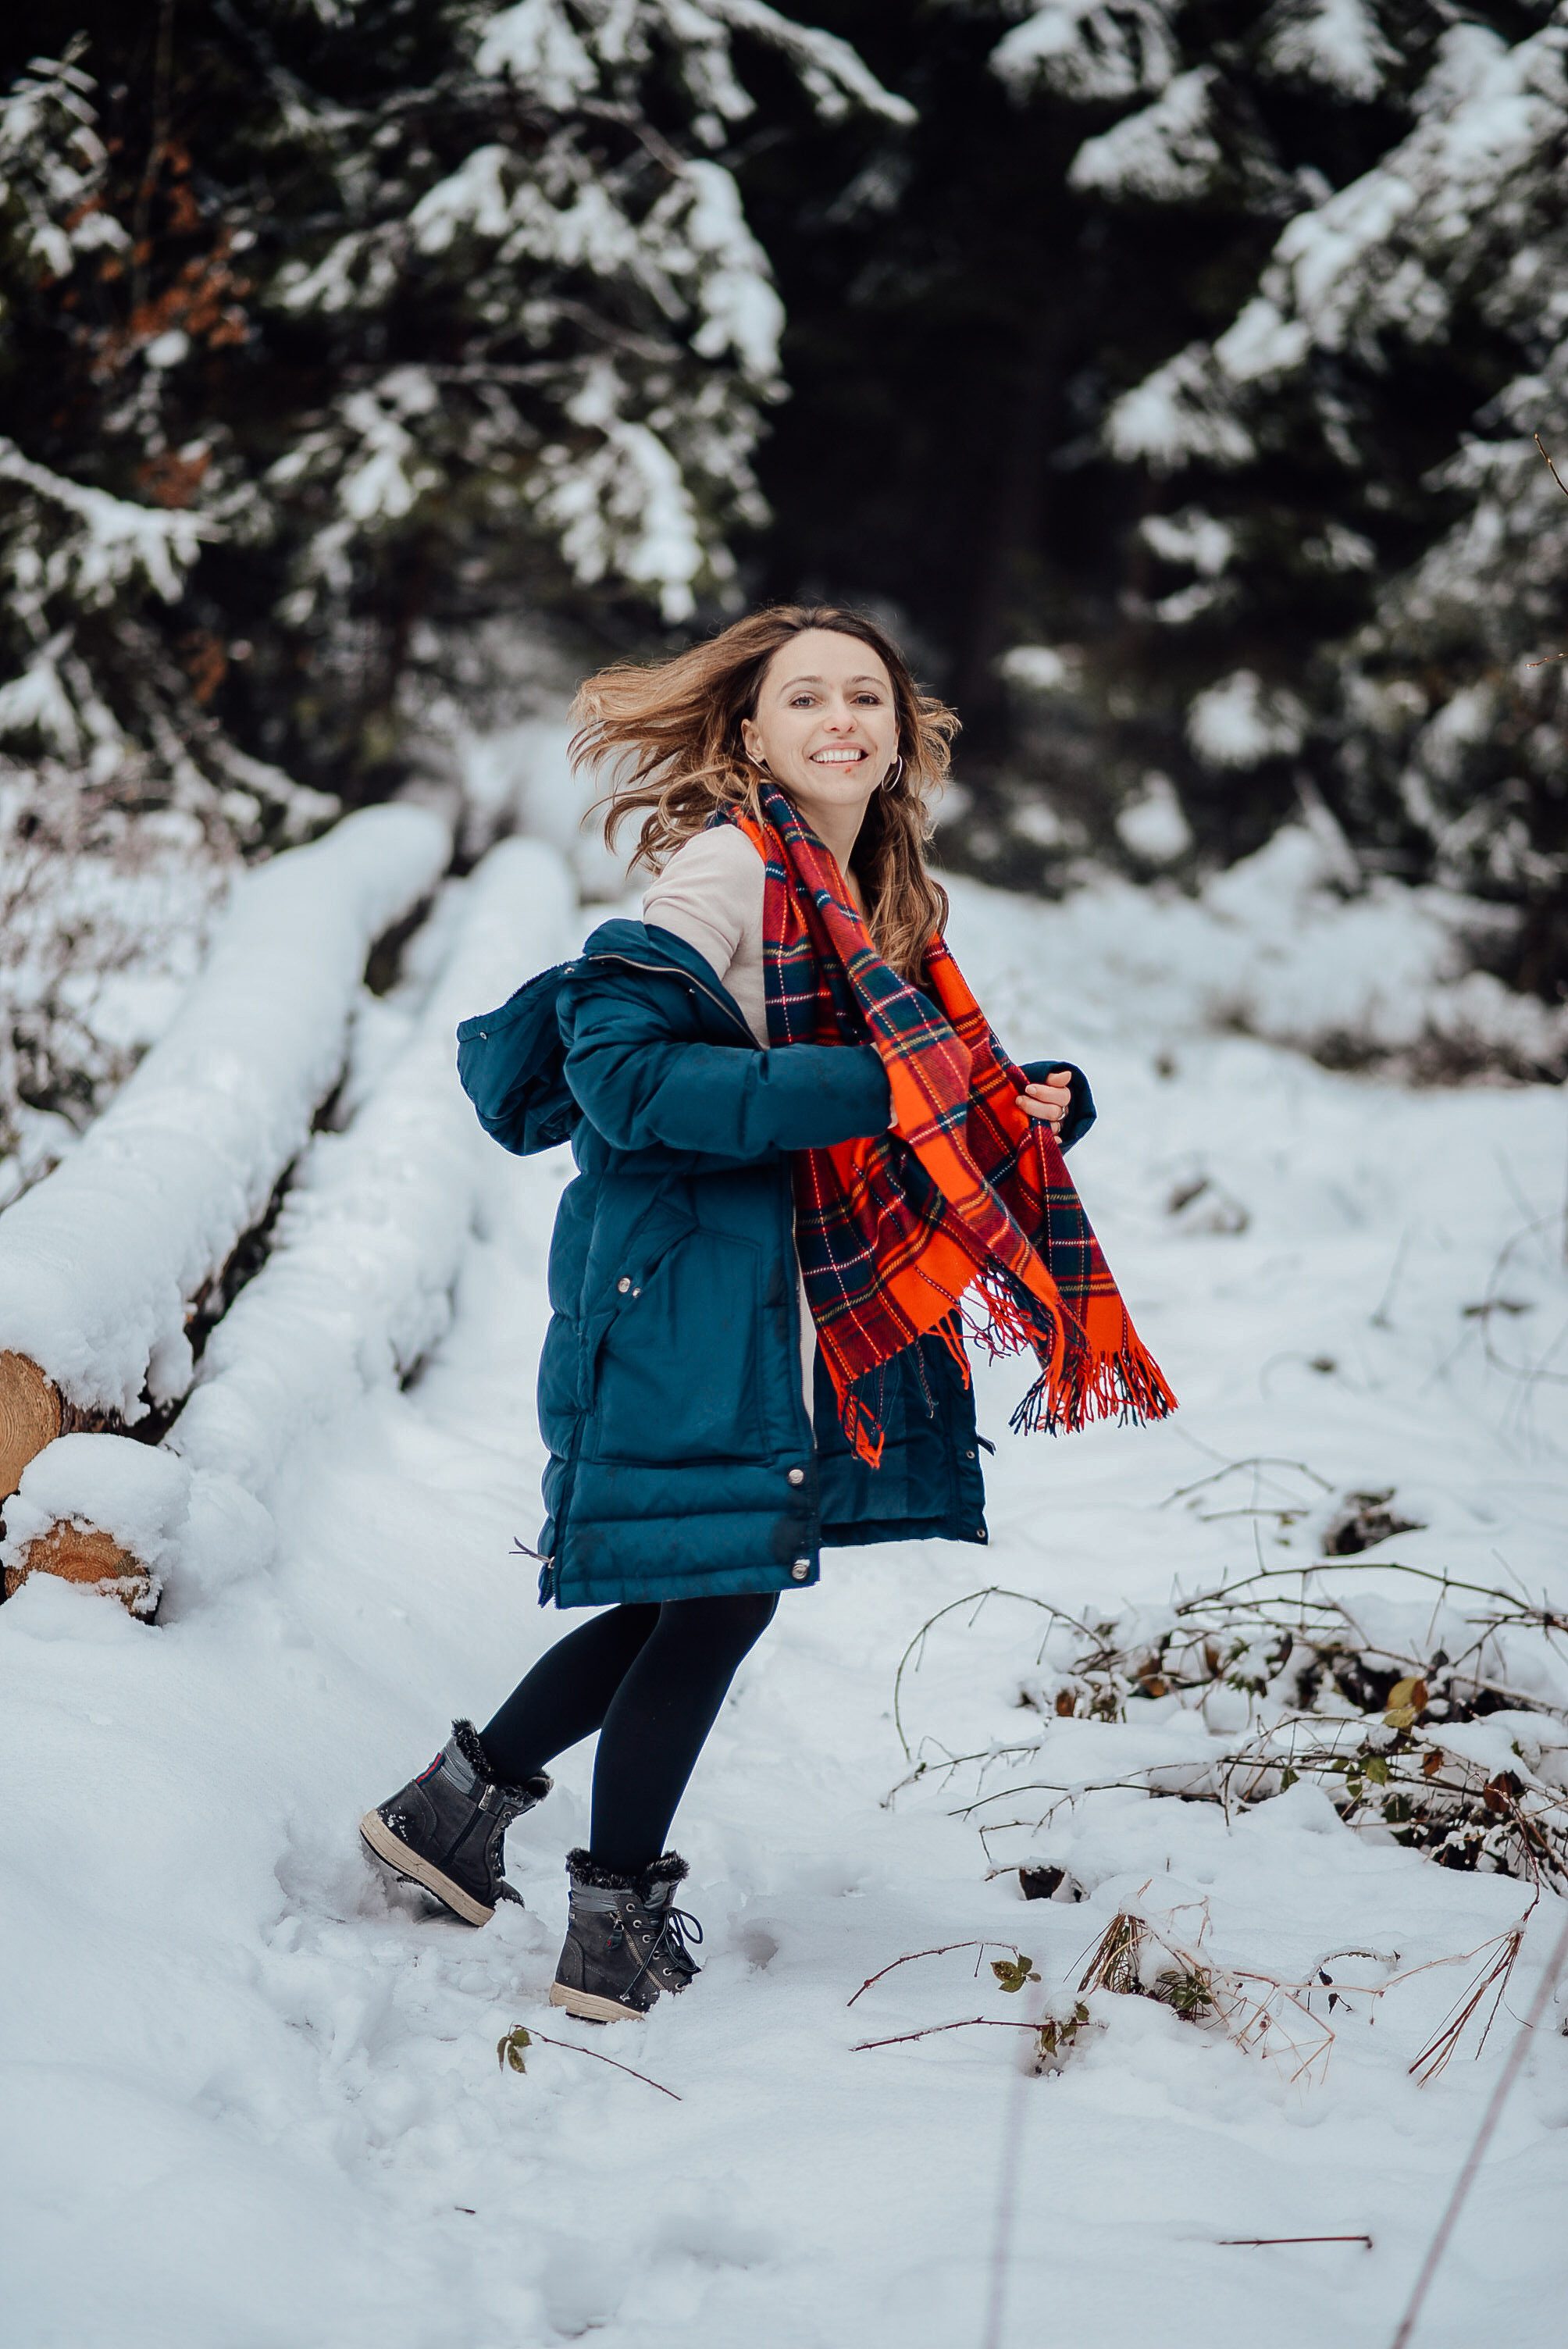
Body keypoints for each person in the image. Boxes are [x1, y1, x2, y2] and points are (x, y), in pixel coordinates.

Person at [360, 606, 1172, 2023]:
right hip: (691, 1293)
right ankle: (607, 1921)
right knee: (718, 1592)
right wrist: (872, 1094)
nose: (843, 718)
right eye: (808, 699)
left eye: (869, 695)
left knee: (703, 1587)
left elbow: (923, 1089)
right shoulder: (728, 868)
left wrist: (1031, 1098)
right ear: (752, 733)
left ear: (905, 734)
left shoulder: (881, 901)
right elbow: (623, 1077)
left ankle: (452, 1814)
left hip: (780, 1296)